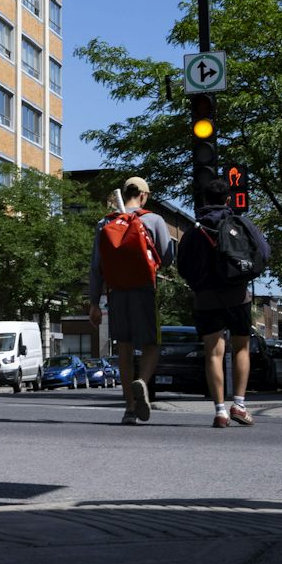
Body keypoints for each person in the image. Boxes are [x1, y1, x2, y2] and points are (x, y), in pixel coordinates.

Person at [176, 179, 268, 428]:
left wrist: (198, 283)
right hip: (237, 294)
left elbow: (182, 264)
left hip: (206, 296)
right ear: (228, 199)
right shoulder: (241, 223)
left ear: (204, 200)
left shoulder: (195, 229)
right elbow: (263, 252)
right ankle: (239, 405)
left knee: (214, 352)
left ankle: (219, 411)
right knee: (241, 347)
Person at [88, 176, 174, 425]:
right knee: (152, 345)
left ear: (124, 194)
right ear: (144, 195)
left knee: (124, 348)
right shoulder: (154, 219)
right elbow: (167, 258)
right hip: (145, 289)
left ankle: (129, 409)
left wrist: (94, 303)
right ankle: (142, 381)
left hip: (116, 293)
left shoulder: (105, 222)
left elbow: (96, 267)